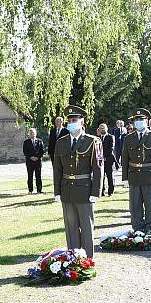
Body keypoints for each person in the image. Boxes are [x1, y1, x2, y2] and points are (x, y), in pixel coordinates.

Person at [53, 107, 102, 257]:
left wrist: (96, 192)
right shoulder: (61, 142)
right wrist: (57, 191)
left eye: (74, 120)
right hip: (67, 189)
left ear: (82, 122)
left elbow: (98, 169)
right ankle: (73, 258)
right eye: (69, 120)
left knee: (86, 227)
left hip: (85, 190)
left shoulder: (92, 141)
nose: (71, 123)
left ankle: (87, 260)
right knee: (71, 227)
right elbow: (57, 169)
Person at [121, 108, 151, 234]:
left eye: (141, 120)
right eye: (136, 120)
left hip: (149, 175)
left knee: (149, 204)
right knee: (135, 205)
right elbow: (125, 159)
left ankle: (150, 227)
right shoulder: (128, 138)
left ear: (147, 121)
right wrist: (124, 178)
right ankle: (137, 227)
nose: (139, 122)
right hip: (133, 175)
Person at [23, 128, 45, 194]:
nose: (32, 134)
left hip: (38, 161)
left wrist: (37, 157)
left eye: (33, 133)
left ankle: (39, 190)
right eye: (31, 133)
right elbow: (25, 151)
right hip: (29, 161)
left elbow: (42, 151)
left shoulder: (39, 141)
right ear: (29, 134)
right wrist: (31, 157)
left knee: (38, 175)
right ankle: (30, 190)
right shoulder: (26, 142)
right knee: (30, 175)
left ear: (36, 133)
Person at [96, 124, 114, 196]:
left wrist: (104, 156)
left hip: (108, 159)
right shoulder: (97, 138)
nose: (102, 129)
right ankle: (102, 191)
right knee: (101, 176)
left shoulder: (110, 137)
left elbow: (111, 148)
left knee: (109, 176)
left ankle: (110, 191)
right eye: (100, 128)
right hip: (100, 160)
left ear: (107, 128)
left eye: (103, 128)